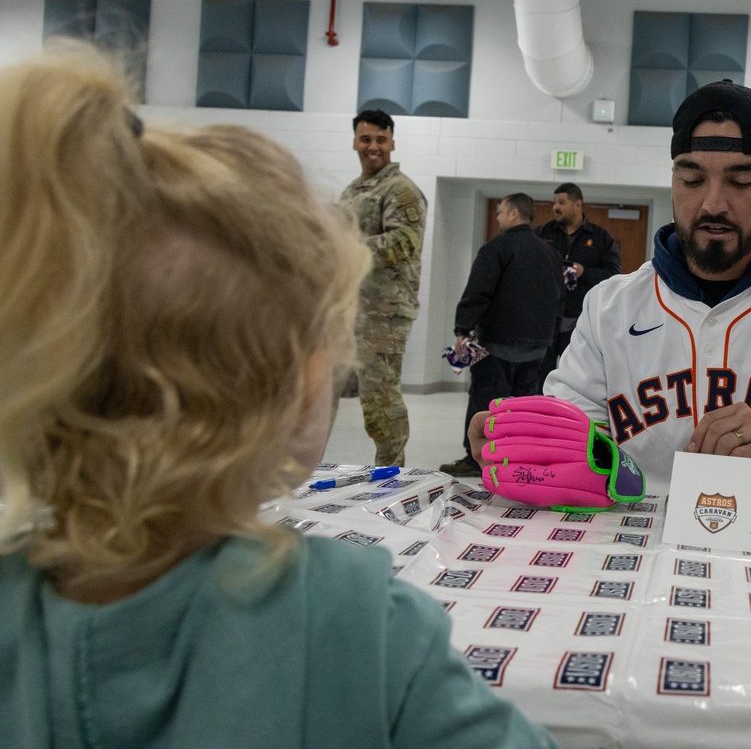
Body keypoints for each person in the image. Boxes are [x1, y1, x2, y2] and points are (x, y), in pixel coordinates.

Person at [0, 46, 557, 748]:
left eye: (377, 137)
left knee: (388, 409)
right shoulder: (360, 623)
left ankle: (391, 461)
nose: (369, 145)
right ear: (303, 391)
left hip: (389, 318)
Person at [472, 79, 751, 492]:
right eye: (692, 179)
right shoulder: (609, 305)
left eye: (740, 181)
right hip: (634, 561)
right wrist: (521, 441)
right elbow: (573, 448)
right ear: (673, 181)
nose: (713, 203)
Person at [440, 194, 565, 478]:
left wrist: (463, 328)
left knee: (485, 401)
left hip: (497, 344)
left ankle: (476, 460)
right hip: (536, 348)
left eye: (500, 212)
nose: (497, 217)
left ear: (512, 214)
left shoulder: (496, 249)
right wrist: (550, 338)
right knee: (523, 408)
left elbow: (479, 291)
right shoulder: (550, 254)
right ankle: (516, 458)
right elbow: (560, 300)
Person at [339, 109, 426, 466]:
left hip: (384, 312)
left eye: (380, 139)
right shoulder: (353, 190)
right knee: (345, 390)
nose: (372, 147)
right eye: (365, 139)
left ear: (392, 142)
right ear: (355, 142)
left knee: (379, 394)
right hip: (352, 308)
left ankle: (392, 471)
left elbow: (404, 241)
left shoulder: (401, 189)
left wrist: (345, 248)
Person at [535, 183, 621, 387]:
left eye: (561, 202)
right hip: (545, 319)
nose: (555, 207)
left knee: (573, 379)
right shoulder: (542, 233)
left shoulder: (600, 238)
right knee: (539, 377)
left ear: (577, 204)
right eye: (554, 202)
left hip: (580, 321)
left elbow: (613, 274)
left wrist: (584, 272)